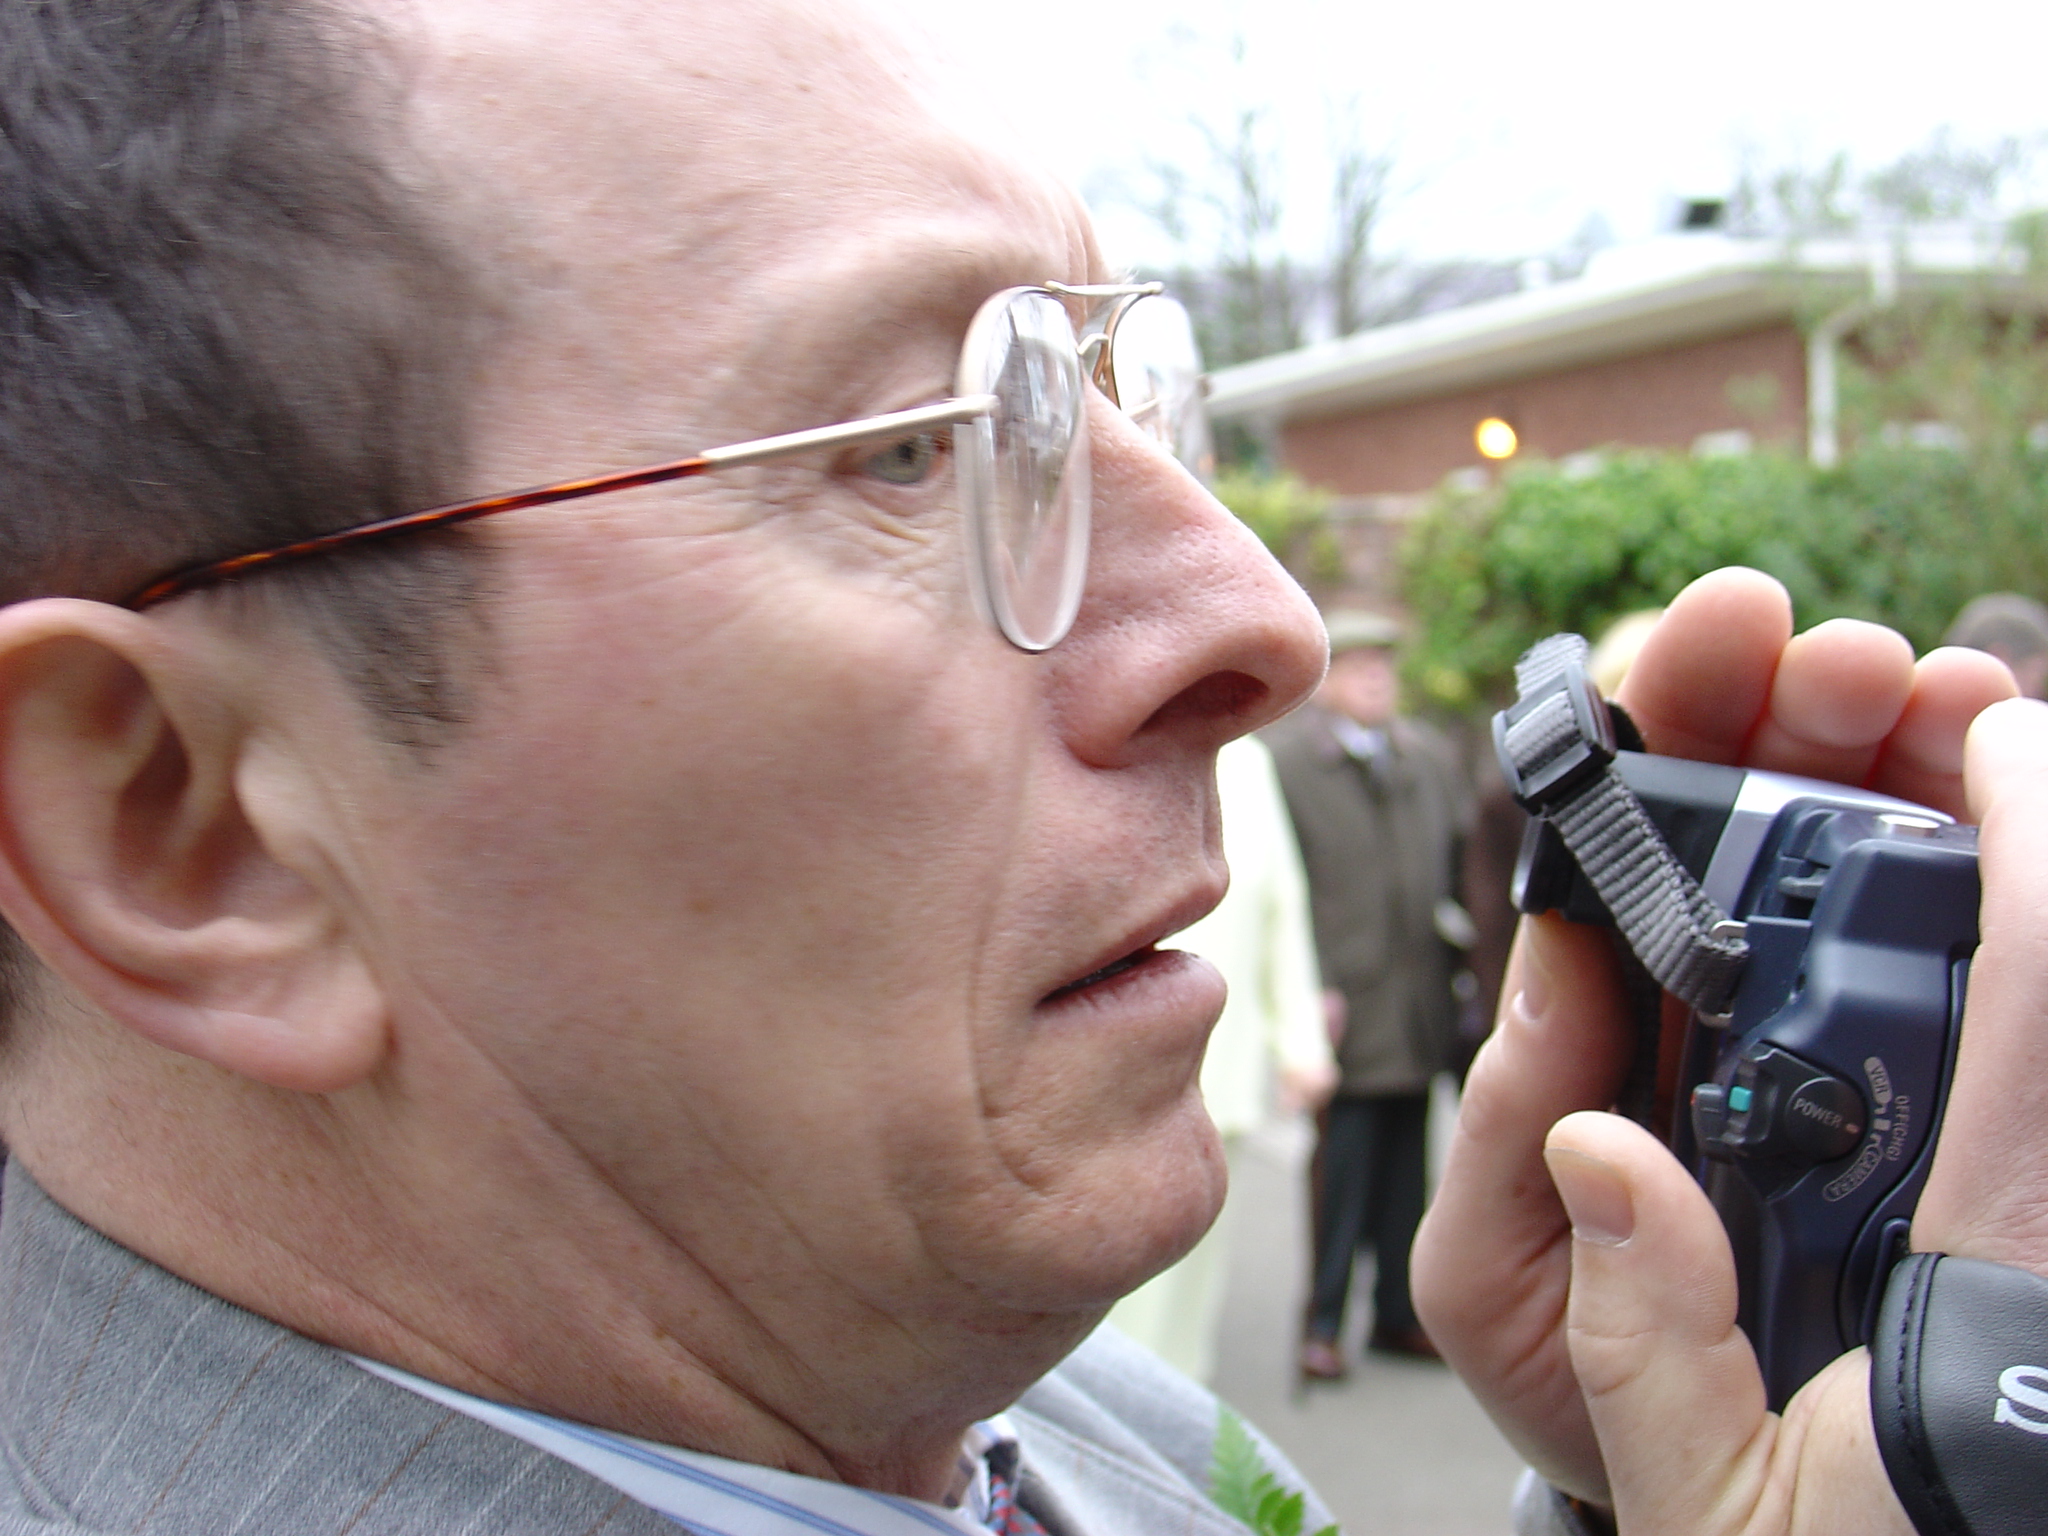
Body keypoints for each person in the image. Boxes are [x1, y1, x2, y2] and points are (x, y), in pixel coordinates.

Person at [0, 5, 2039, 1536]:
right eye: (913, 446)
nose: (1259, 619)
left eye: (1100, 393)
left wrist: (1693, 1448)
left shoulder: (1045, 1428)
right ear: (186, 832)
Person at [1264, 612, 1470, 1377]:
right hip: (1342, 1000)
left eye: (1383, 663)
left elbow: (1460, 869)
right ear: (1325, 681)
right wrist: (1305, 989)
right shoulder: (1287, 764)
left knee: (1409, 1168)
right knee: (1340, 1170)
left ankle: (1397, 1315)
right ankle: (1321, 1323)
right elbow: (1278, 892)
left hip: (1417, 999)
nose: (1376, 676)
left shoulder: (1427, 758)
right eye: (1357, 664)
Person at [1105, 734, 1335, 1383]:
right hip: (1104, 1067)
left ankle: (1175, 1404)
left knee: (1188, 1276)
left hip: (1219, 1066)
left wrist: (1301, 1042)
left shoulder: (1247, 760)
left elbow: (1280, 900)